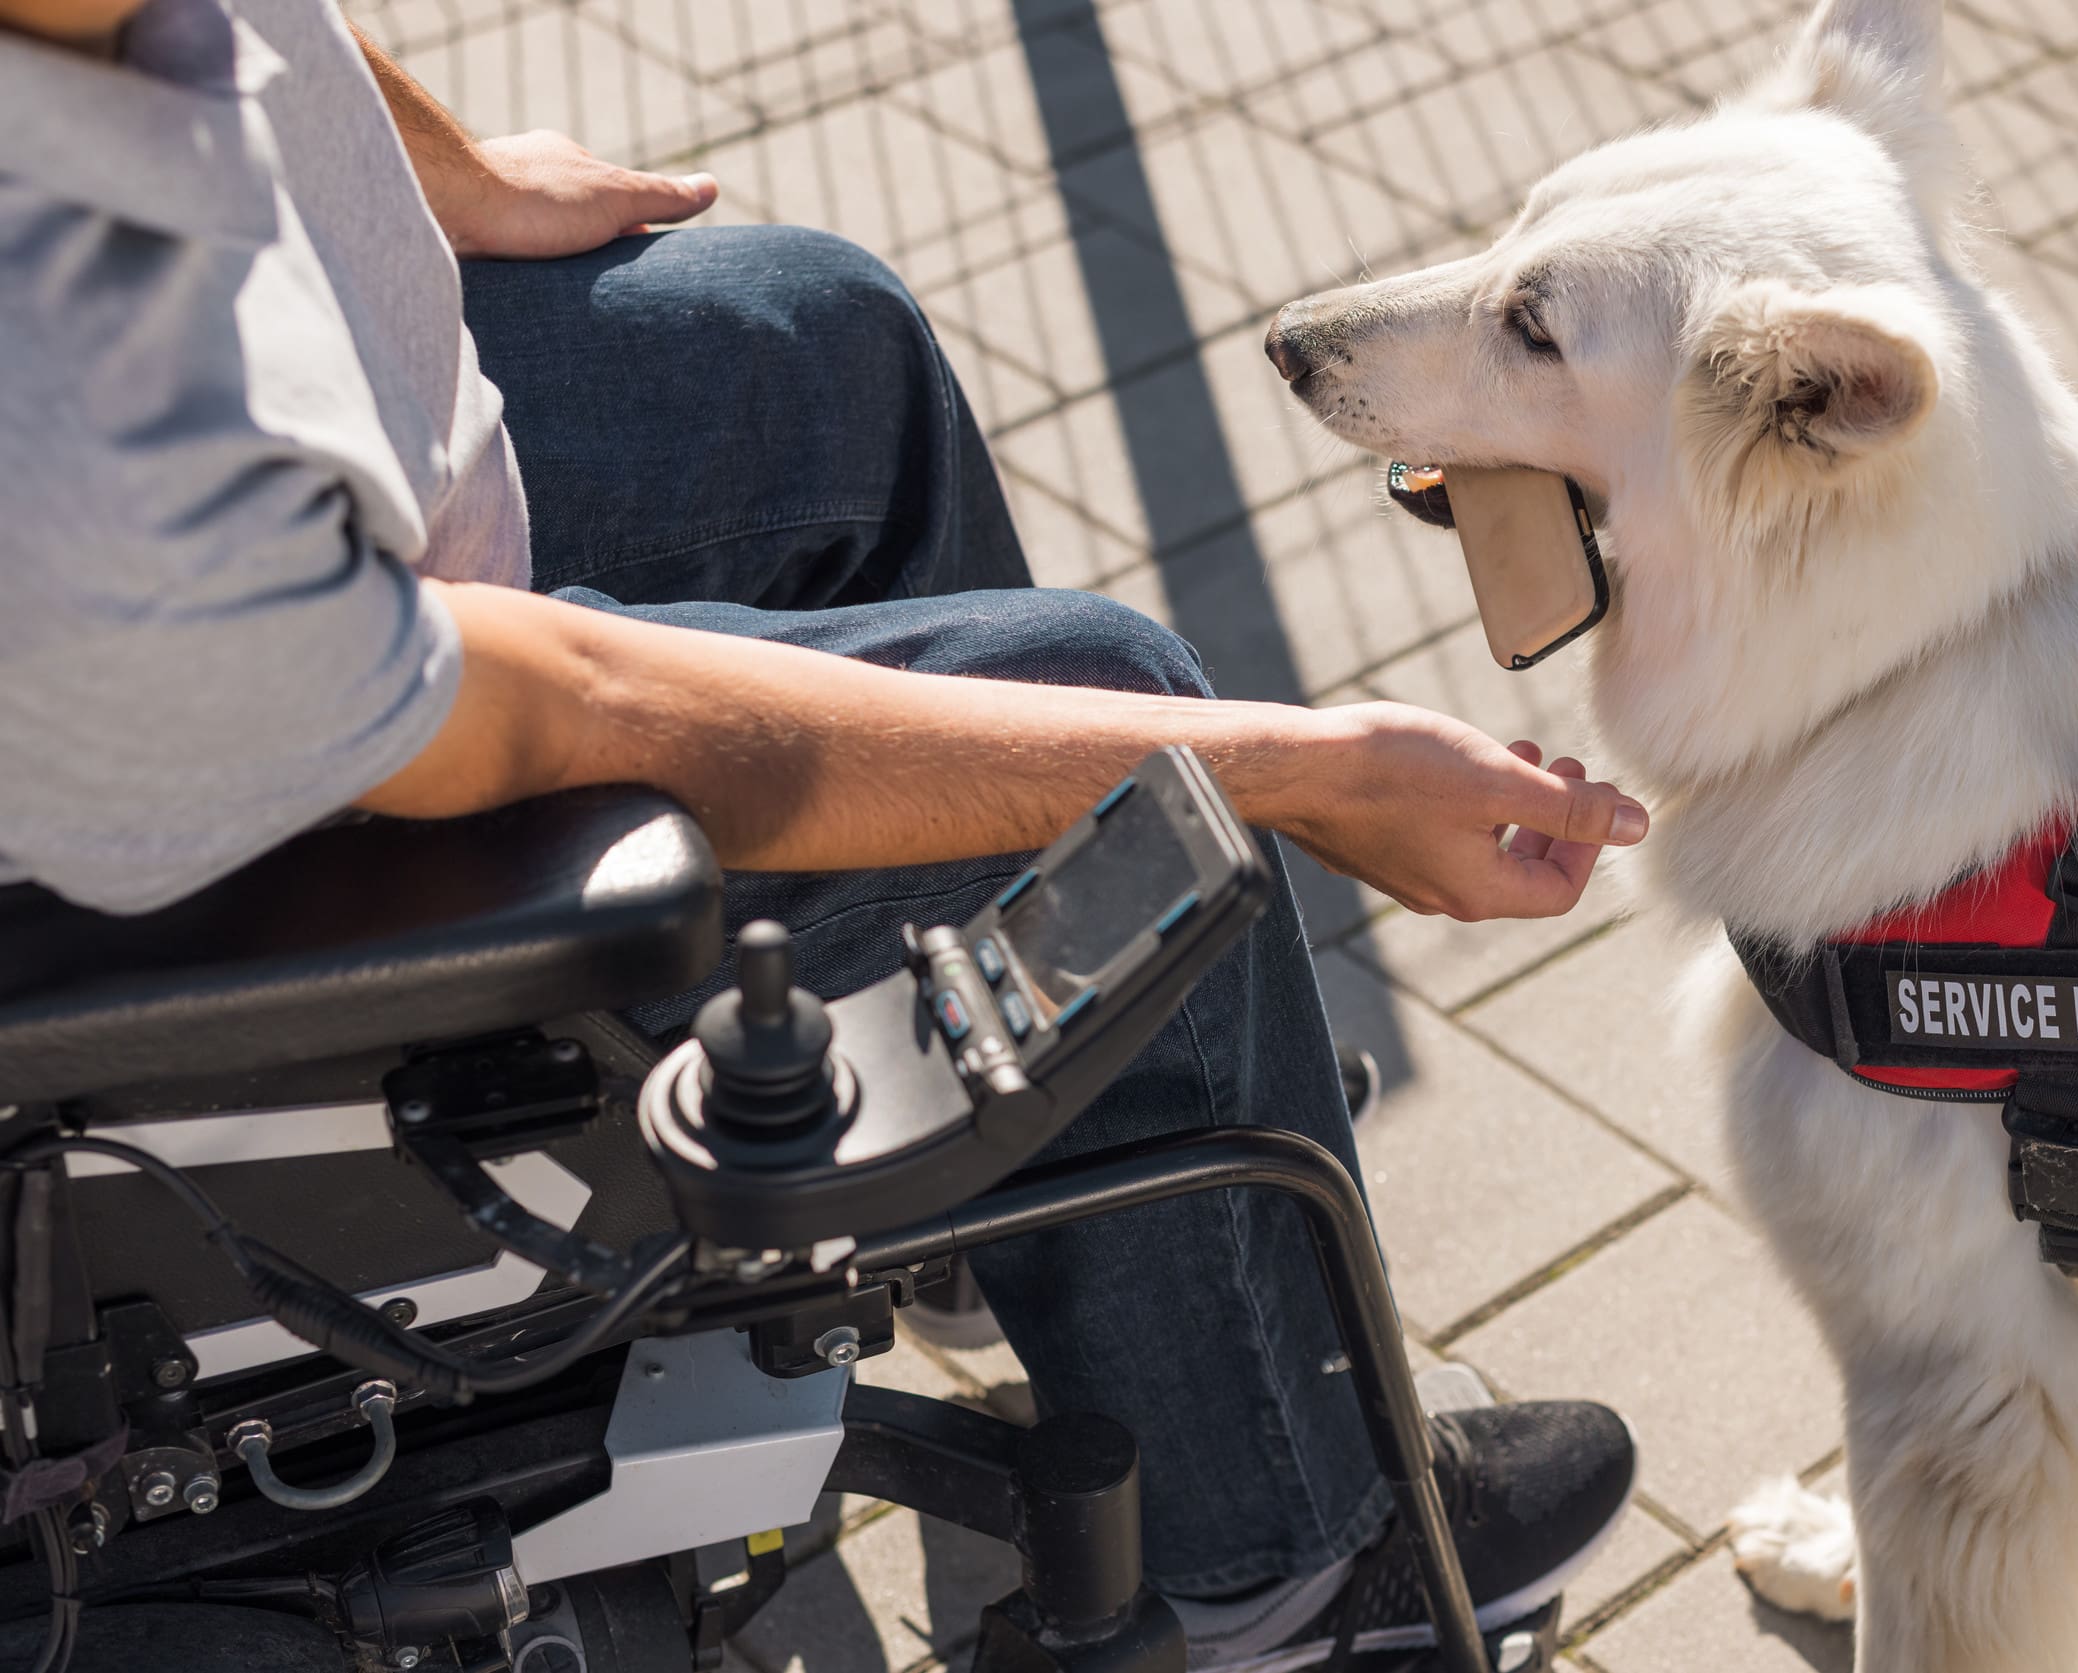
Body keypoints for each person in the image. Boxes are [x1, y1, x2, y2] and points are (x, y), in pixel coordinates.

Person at [0, 1, 1646, 1665]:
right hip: (292, 833)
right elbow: (576, 708)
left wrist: (443, 173)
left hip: (329, 497)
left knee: (829, 344)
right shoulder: (72, 448)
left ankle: (1048, 1222)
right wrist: (1302, 771)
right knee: (1120, 757)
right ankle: (1288, 1564)